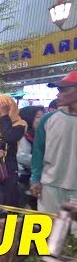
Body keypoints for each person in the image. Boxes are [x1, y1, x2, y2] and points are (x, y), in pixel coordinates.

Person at [31, 72, 77, 218]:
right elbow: (38, 151)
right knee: (48, 229)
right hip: (50, 185)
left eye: (63, 90)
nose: (58, 94)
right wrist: (35, 179)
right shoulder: (48, 119)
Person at [16, 105, 45, 209]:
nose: (41, 120)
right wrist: (44, 161)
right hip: (24, 180)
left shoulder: (41, 135)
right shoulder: (24, 136)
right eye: (37, 117)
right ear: (28, 118)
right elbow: (21, 157)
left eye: (42, 116)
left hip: (39, 178)